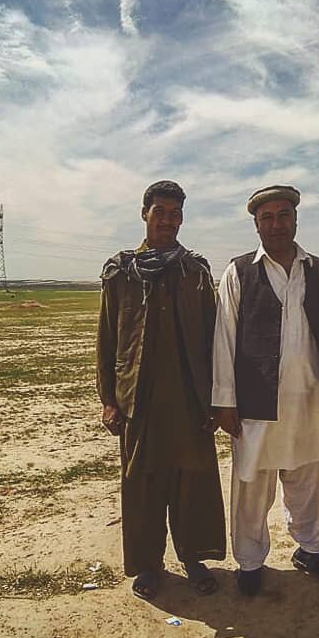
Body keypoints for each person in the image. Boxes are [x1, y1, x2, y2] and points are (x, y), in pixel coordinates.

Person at [212, 185, 319, 597]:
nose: (276, 225)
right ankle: (251, 562)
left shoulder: (315, 268)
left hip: (309, 398)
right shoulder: (238, 272)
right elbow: (223, 338)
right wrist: (225, 402)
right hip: (257, 403)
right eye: (267, 218)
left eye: (283, 216)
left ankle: (310, 551)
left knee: (311, 479)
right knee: (252, 484)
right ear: (256, 224)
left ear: (296, 219)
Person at [96, 180, 225, 600]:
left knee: (193, 484)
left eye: (175, 213)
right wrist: (108, 401)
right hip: (139, 403)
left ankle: (193, 559)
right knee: (143, 486)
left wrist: (218, 399)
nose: (168, 220)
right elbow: (107, 339)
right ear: (145, 214)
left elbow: (214, 338)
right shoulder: (121, 272)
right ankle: (149, 566)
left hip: (190, 400)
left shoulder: (195, 271)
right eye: (160, 211)